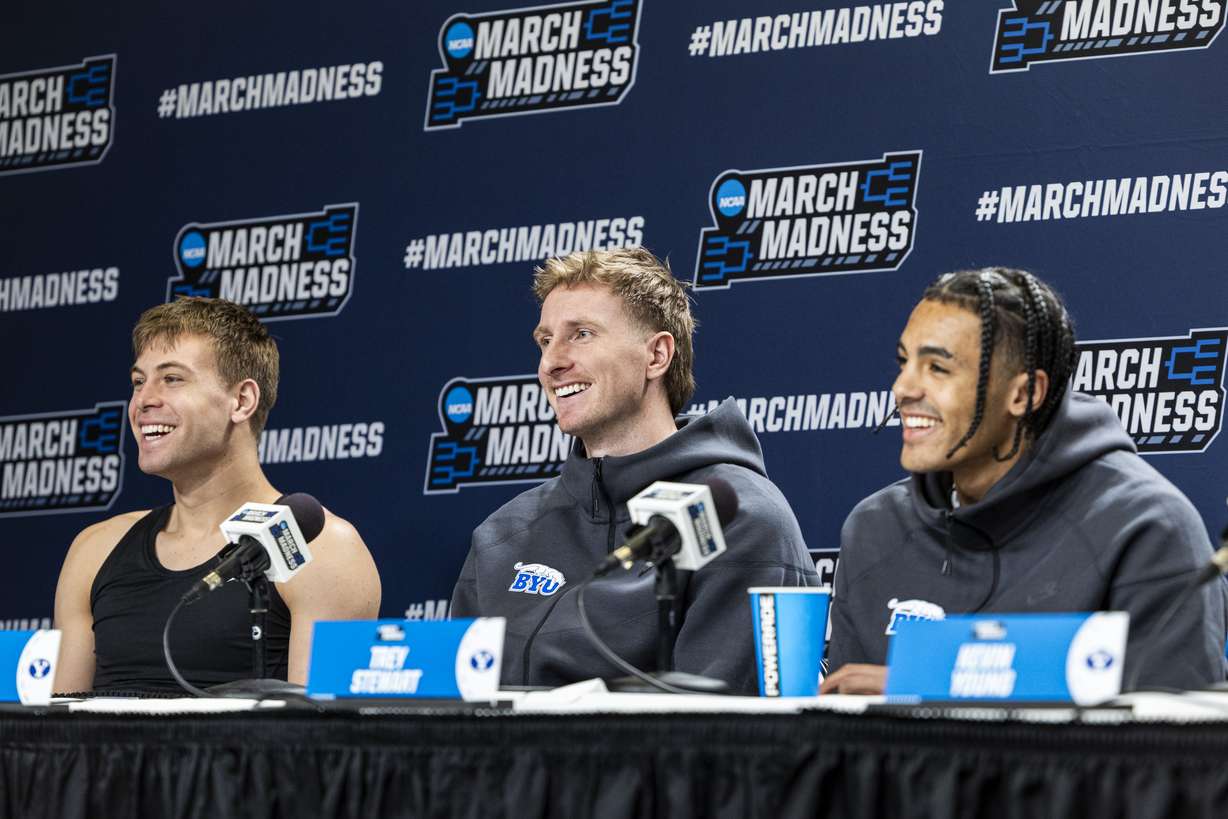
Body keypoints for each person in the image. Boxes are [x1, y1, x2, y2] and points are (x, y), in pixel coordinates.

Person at [821, 267, 1227, 694]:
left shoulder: (1147, 526)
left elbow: (1173, 743)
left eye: (937, 368)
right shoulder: (875, 529)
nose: (903, 387)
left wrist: (934, 685)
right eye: (905, 362)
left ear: (1024, 393)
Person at [450, 247, 816, 693]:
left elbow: (722, 741)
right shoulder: (502, 533)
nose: (551, 363)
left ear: (657, 356)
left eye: (581, 334)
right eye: (545, 340)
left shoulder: (739, 520)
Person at [53, 297, 381, 693]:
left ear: (241, 401)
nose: (143, 401)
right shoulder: (94, 549)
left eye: (172, 379)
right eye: (139, 382)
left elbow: (322, 746)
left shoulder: (324, 549)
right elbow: (54, 733)